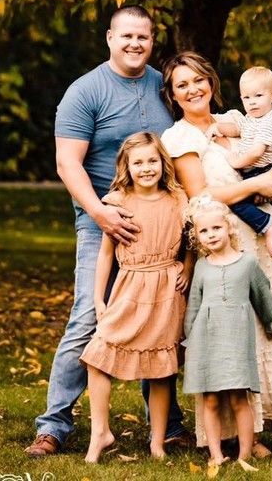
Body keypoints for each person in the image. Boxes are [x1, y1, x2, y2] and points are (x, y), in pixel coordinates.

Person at [26, 5, 189, 458]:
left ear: (152, 40)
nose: (135, 44)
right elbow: (66, 163)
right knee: (88, 317)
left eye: (144, 36)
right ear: (109, 38)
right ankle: (55, 425)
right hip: (103, 217)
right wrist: (100, 214)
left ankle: (170, 426)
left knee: (159, 320)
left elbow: (200, 129)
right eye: (127, 36)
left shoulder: (163, 85)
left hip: (160, 220)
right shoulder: (85, 91)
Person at [160, 52, 272, 456]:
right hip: (224, 241)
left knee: (267, 327)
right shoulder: (178, 138)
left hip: (265, 239)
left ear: (211, 82)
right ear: (173, 95)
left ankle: (257, 428)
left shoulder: (237, 117)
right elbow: (202, 194)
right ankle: (228, 434)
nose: (193, 89)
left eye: (198, 80)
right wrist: (258, 183)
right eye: (182, 85)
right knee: (232, 335)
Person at [80, 132, 190, 462]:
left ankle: (158, 441)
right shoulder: (117, 202)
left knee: (161, 368)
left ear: (163, 163)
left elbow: (193, 239)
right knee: (98, 355)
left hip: (168, 289)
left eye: (152, 161)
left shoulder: (178, 199)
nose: (146, 168)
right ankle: (100, 431)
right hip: (130, 286)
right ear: (127, 166)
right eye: (138, 162)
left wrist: (188, 265)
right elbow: (105, 255)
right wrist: (99, 299)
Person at [182, 196, 272, 472]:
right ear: (197, 238)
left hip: (236, 342)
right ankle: (215, 454)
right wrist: (188, 340)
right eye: (204, 231)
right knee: (210, 399)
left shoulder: (247, 263)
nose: (211, 235)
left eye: (216, 228)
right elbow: (194, 305)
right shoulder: (202, 267)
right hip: (206, 341)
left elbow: (262, 296)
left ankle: (245, 453)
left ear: (229, 228)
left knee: (238, 398)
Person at [209, 65, 272, 266]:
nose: (252, 102)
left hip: (263, 170)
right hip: (262, 170)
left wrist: (235, 161)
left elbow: (256, 151)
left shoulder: (269, 121)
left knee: (237, 202)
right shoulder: (253, 118)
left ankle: (267, 226)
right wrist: (218, 127)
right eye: (246, 98)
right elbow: (238, 129)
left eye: (258, 96)